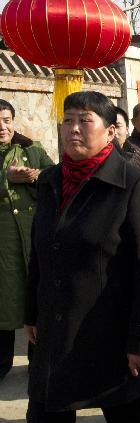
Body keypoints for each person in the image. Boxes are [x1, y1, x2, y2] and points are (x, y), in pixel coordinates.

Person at [24, 91, 140, 422]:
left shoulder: (134, 183)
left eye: (86, 120)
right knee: (46, 407)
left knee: (125, 410)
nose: (74, 128)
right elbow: (40, 251)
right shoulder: (50, 181)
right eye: (68, 120)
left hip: (113, 333)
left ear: (109, 131)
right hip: (56, 325)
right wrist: (31, 312)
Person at [0, 99, 53, 381]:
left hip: (31, 235)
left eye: (7, 119)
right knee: (4, 303)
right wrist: (4, 176)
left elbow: (55, 174)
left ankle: (38, 362)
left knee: (37, 297)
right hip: (3, 244)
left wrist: (35, 176)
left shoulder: (30, 148)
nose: (2, 126)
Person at [112, 106, 140, 172]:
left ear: (127, 130)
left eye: (117, 126)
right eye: (108, 126)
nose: (113, 132)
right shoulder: (92, 157)